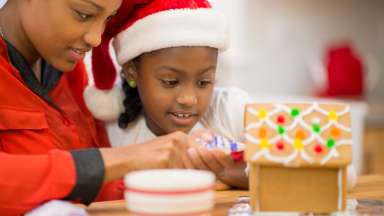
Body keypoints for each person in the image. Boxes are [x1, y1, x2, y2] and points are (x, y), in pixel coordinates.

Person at [0, 0, 196, 214]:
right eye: (83, 14)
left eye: (108, 18)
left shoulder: (67, 69)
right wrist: (125, 158)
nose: (96, 38)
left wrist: (195, 175)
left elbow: (96, 187)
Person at [84, 0, 249, 189]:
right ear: (132, 71)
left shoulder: (231, 109)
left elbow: (285, 167)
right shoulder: (115, 134)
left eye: (203, 82)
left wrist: (227, 172)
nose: (188, 99)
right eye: (171, 82)